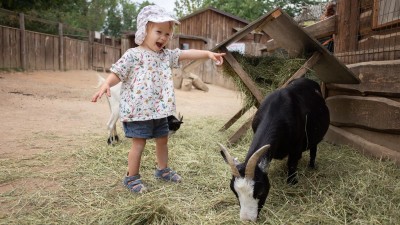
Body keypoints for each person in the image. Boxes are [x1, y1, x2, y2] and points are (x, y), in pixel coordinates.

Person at [91, 5, 225, 194]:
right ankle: (131, 178)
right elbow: (118, 72)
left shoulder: (166, 56)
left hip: (160, 111)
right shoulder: (133, 55)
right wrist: (107, 84)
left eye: (168, 34)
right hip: (139, 112)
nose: (163, 37)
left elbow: (185, 54)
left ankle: (162, 170)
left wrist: (208, 54)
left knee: (163, 140)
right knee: (139, 144)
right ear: (144, 30)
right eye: (158, 32)